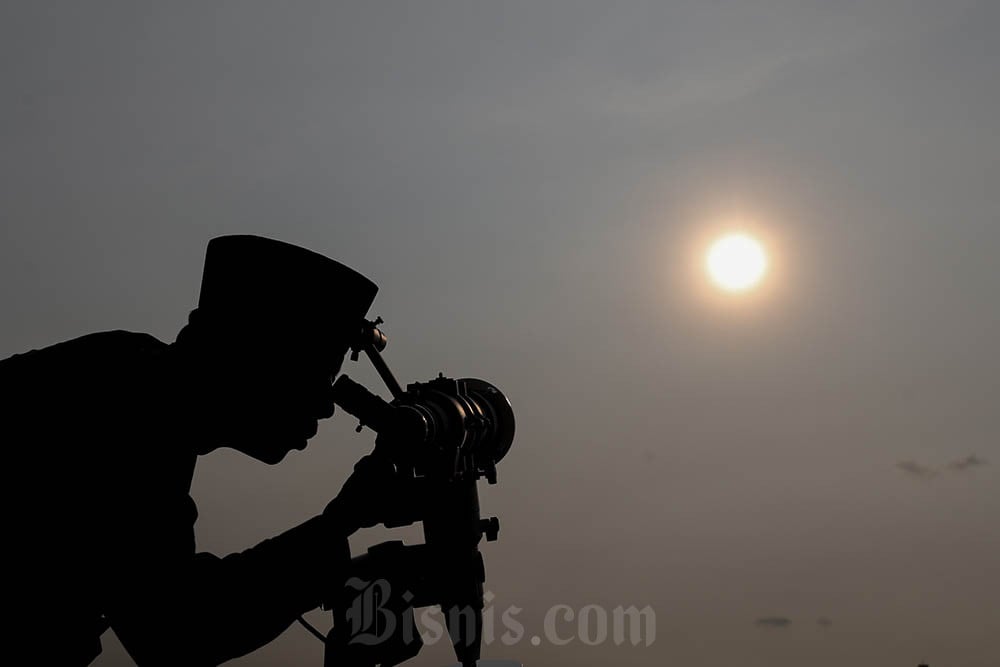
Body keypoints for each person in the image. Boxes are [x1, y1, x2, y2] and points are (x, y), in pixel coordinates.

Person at [3, 235, 396, 665]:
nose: (325, 408)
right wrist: (338, 525)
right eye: (316, 378)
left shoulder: (133, 383)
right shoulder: (130, 414)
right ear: (260, 363)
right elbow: (178, 631)